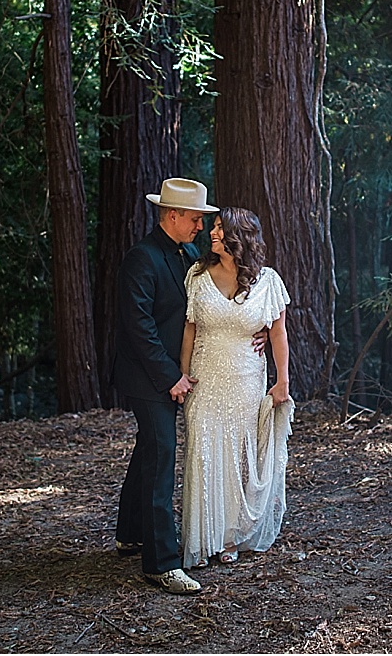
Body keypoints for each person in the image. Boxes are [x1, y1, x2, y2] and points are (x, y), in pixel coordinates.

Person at [112, 179, 266, 595]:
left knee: (149, 449)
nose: (201, 224)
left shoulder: (187, 256)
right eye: (196, 218)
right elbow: (139, 328)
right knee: (163, 457)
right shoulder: (141, 259)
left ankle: (131, 532)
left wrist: (260, 330)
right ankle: (161, 564)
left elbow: (219, 303)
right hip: (148, 377)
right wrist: (172, 377)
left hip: (173, 374)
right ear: (173, 215)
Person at [179, 207, 294, 570]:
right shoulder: (197, 275)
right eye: (212, 228)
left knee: (238, 459)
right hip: (205, 381)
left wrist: (282, 382)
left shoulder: (268, 282)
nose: (211, 234)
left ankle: (229, 536)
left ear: (239, 237)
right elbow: (189, 329)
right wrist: (182, 376)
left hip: (246, 380)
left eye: (218, 229)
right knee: (204, 454)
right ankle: (201, 539)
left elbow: (277, 332)